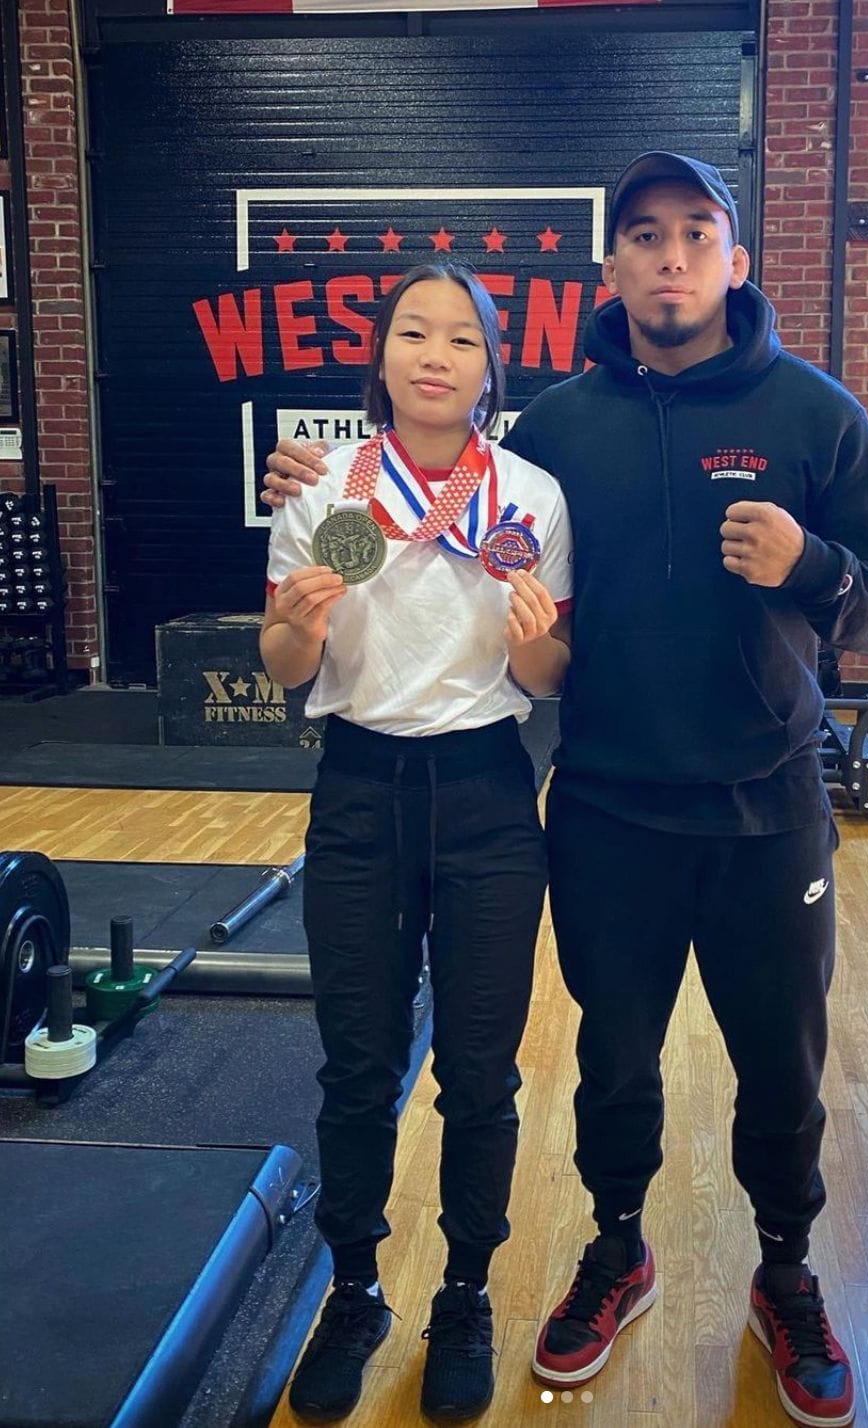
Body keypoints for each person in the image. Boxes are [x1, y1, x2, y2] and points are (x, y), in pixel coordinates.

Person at [263, 152, 868, 1428]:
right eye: (645, 237)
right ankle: (616, 1245)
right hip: (608, 805)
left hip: (769, 802)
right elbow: (429, 475)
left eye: (697, 234)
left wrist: (818, 567)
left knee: (781, 1067)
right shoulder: (555, 436)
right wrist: (315, 474)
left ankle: (784, 1272)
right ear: (610, 269)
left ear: (736, 259)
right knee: (611, 1063)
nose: (671, 257)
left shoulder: (818, 415)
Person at [261, 261, 573, 1423]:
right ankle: (353, 1289)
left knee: (481, 1070)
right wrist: (292, 629)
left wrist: (538, 640)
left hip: (490, 794)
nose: (435, 355)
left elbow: (542, 678)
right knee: (357, 1060)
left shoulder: (531, 497)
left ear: (493, 367)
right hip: (359, 791)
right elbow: (286, 666)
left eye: (462, 339)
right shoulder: (327, 492)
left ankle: (464, 1292)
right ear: (382, 356)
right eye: (413, 333)